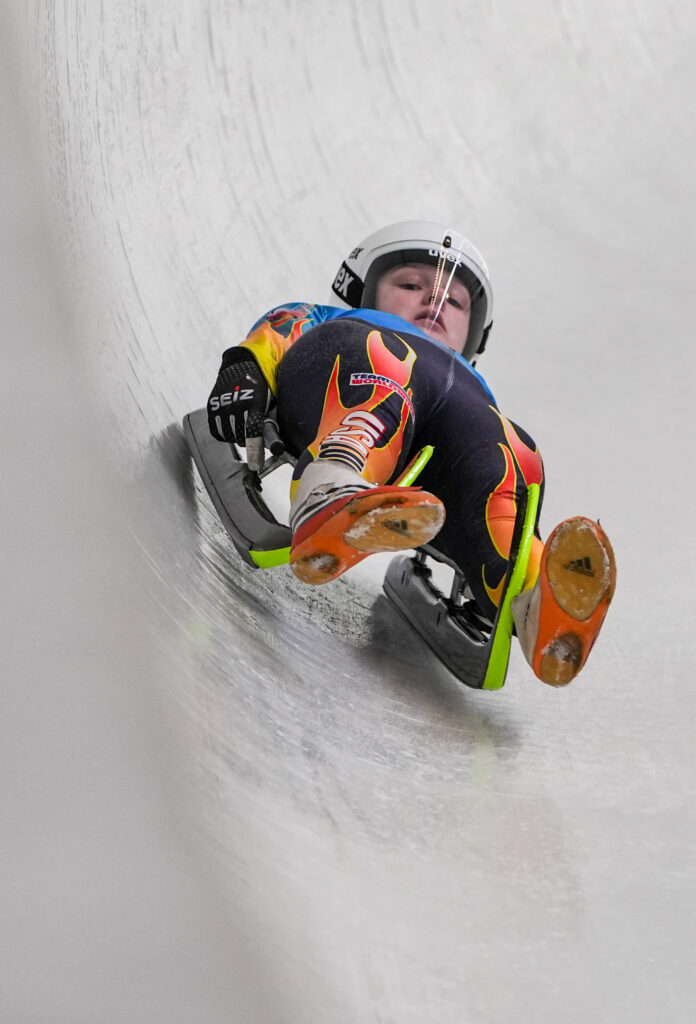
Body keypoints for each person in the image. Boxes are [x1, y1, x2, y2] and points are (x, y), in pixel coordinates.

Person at [207, 221, 616, 686]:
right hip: (355, 356)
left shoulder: (474, 385)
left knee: (509, 453)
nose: (433, 301)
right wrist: (246, 367)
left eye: (455, 301)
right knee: (385, 372)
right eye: (409, 284)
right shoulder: (335, 318)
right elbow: (281, 329)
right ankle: (332, 485)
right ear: (362, 291)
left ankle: (532, 594)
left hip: (458, 413)